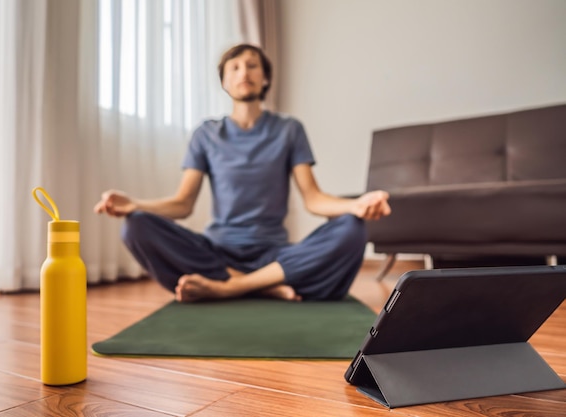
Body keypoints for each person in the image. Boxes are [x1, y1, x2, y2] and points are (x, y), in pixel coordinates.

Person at [94, 43, 391, 303]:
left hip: (274, 256)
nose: (243, 72)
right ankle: (264, 287)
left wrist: (356, 206)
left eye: (252, 65)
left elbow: (313, 199)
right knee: (135, 227)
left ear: (265, 78)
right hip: (217, 254)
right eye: (234, 67)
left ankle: (232, 287)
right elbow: (182, 204)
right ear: (224, 81)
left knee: (352, 228)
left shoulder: (289, 130)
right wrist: (135, 205)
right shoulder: (206, 134)